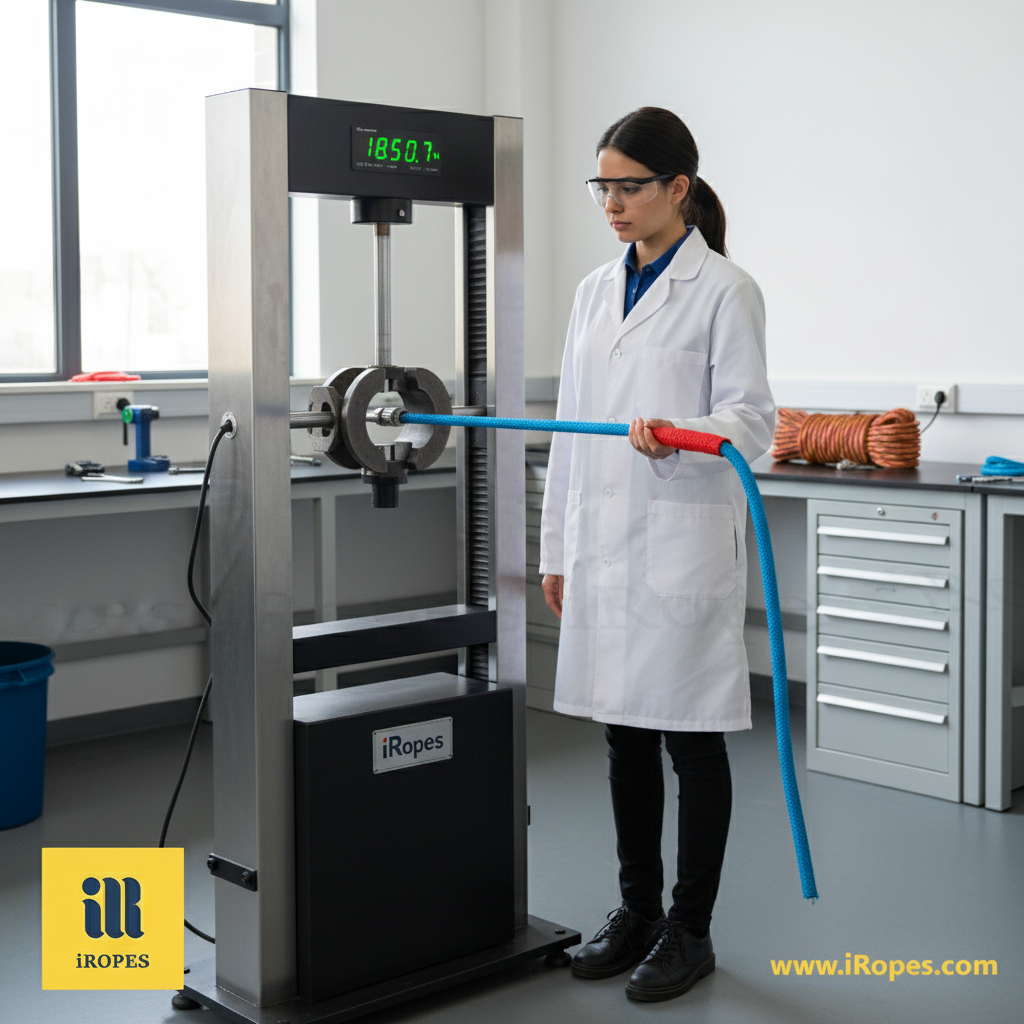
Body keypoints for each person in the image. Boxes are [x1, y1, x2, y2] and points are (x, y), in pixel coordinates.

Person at [539, 106, 775, 1003]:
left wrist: (680, 434)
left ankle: (691, 929)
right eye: (603, 185)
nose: (613, 202)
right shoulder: (595, 292)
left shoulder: (726, 290)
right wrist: (555, 546)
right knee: (623, 734)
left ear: (678, 188)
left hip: (680, 542)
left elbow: (753, 421)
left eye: (630, 186)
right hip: (603, 543)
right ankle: (636, 911)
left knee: (691, 739)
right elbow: (567, 429)